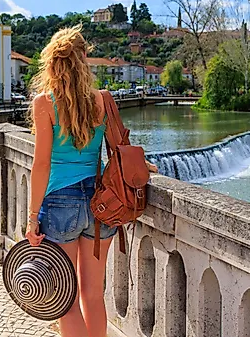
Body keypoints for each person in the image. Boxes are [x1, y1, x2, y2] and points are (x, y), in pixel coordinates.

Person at [25, 26, 157, 337]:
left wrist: (33, 219)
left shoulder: (45, 103)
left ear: (53, 63)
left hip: (60, 204)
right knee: (93, 295)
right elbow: (120, 149)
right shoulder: (103, 101)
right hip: (101, 204)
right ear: (84, 59)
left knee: (66, 299)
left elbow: (42, 164)